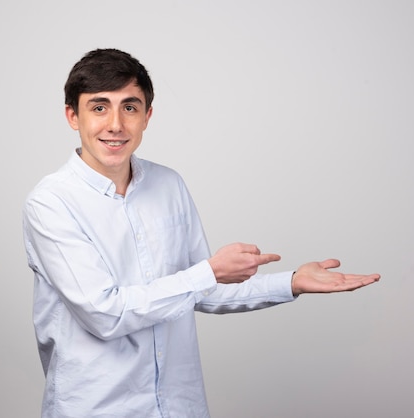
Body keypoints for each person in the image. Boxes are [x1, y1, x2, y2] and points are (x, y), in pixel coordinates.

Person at [22, 48, 380, 418]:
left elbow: (200, 291)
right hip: (96, 409)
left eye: (129, 107)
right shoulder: (50, 204)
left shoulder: (168, 184)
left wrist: (291, 283)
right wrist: (208, 271)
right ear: (72, 116)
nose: (115, 124)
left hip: (179, 406)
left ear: (147, 116)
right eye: (99, 107)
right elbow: (105, 313)